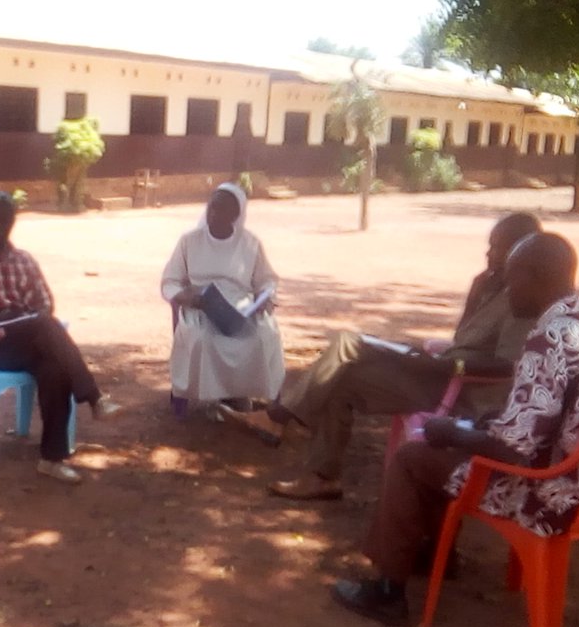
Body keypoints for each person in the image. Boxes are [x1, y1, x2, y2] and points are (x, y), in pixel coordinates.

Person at [332, 232, 579, 626]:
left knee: (416, 455)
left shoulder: (547, 341)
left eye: (514, 279)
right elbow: (552, 416)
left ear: (540, 277)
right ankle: (429, 554)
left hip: (547, 492)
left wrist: (452, 433)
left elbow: (514, 447)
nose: (508, 290)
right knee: (453, 444)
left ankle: (388, 590)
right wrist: (488, 423)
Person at [221, 212, 543, 500]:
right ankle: (322, 477)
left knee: (348, 344)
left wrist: (450, 364)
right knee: (341, 375)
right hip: (437, 372)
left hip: (458, 389)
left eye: (496, 246)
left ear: (520, 251)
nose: (488, 253)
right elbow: (462, 339)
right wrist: (468, 306)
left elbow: (507, 365)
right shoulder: (486, 285)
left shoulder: (522, 299)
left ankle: (279, 419)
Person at [0, 191, 121, 484]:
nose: (0, 224)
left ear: (14, 220)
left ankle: (52, 459)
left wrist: (29, 316)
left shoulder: (24, 260)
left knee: (55, 369)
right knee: (43, 325)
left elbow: (46, 303)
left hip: (29, 337)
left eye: (6, 219)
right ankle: (95, 397)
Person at [160, 183, 284, 415]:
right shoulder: (189, 241)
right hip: (200, 306)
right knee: (203, 339)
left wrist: (264, 297)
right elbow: (170, 281)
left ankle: (241, 394)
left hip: (241, 307)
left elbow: (267, 280)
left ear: (235, 215)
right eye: (211, 208)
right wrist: (188, 297)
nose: (214, 214)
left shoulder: (250, 243)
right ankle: (211, 398)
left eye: (221, 210)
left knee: (263, 335)